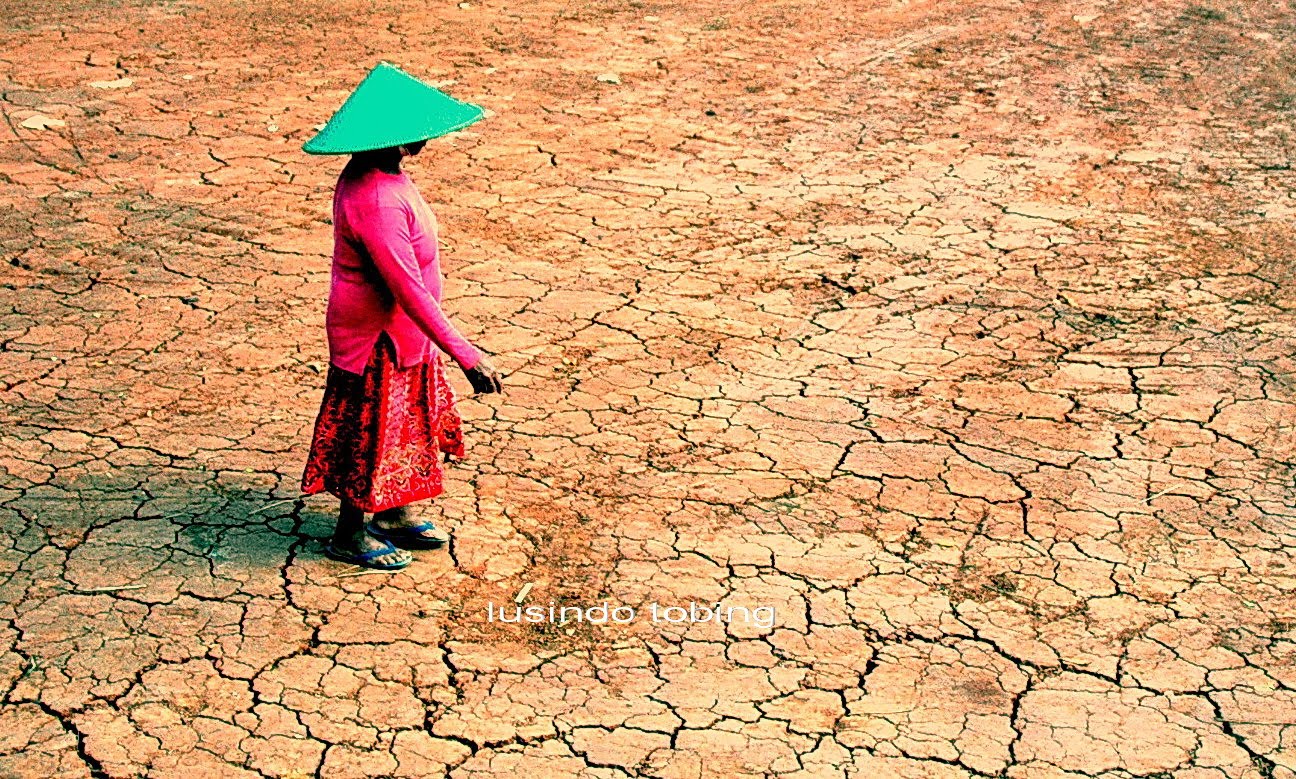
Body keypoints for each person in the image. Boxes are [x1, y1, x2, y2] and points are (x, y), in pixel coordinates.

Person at [299, 62, 502, 570]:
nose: (424, 141)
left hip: (402, 332)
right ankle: (349, 532)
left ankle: (391, 513)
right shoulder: (375, 197)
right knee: (370, 429)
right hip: (378, 336)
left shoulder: (382, 176)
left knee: (403, 423)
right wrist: (468, 357)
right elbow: (407, 288)